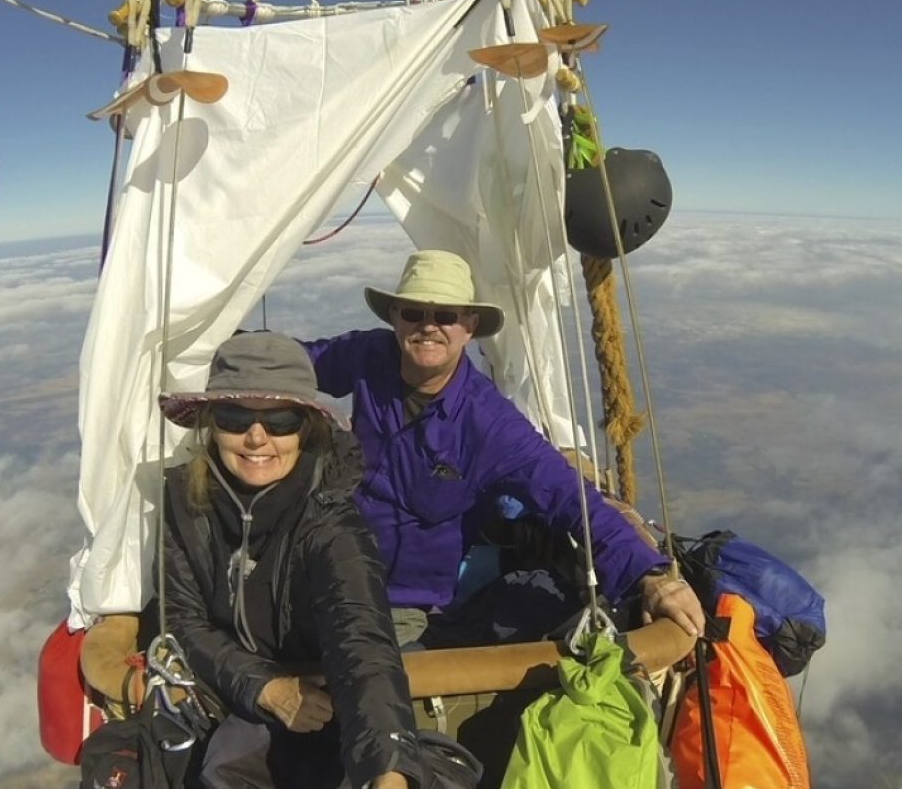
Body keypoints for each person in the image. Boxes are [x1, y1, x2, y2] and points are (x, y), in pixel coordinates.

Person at [300, 249, 706, 644]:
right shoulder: (369, 356)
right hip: (321, 559)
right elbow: (294, 362)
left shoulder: (489, 423)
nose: (428, 326)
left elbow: (569, 497)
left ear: (469, 327)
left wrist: (649, 575)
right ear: (395, 318)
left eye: (445, 315)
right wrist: (238, 346)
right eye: (414, 313)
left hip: (396, 602)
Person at [156, 330, 445, 789]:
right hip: (237, 700)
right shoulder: (184, 501)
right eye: (236, 418)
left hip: (326, 715)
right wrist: (265, 686)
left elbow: (363, 643)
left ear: (307, 428)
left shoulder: (330, 523)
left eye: (281, 420)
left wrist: (389, 782)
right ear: (211, 426)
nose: (258, 437)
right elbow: (182, 618)